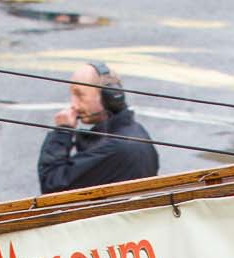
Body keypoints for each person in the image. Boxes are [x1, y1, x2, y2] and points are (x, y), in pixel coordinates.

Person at [36, 61, 159, 195]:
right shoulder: (133, 131)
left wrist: (62, 131)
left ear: (108, 96)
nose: (73, 105)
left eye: (80, 95)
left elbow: (52, 184)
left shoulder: (114, 148)